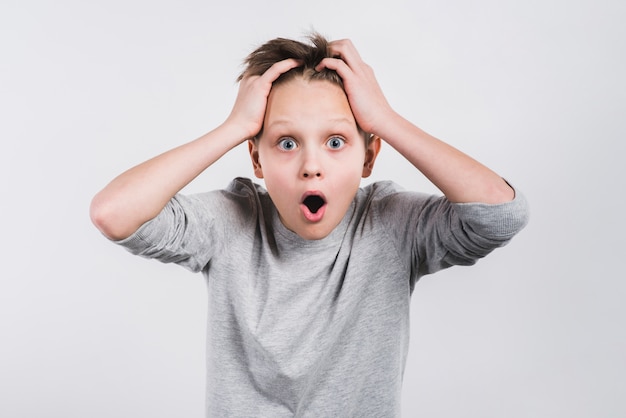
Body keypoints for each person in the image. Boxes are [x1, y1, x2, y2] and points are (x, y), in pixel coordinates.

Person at [90, 32, 529, 417]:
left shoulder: (393, 224)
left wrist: (385, 120)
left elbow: (499, 212)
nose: (311, 165)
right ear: (257, 159)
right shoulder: (229, 222)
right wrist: (234, 127)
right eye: (286, 143)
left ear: (369, 157)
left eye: (335, 142)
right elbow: (113, 213)